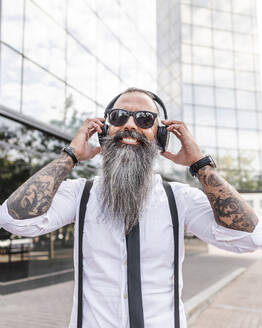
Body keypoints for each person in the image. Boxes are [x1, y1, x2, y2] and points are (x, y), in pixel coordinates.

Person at [0, 87, 261, 328]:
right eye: (119, 116)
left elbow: (250, 237)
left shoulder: (179, 199)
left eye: (145, 119)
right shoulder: (80, 194)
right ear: (104, 130)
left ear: (160, 135)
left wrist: (200, 164)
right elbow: (14, 220)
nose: (130, 125)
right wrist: (70, 156)